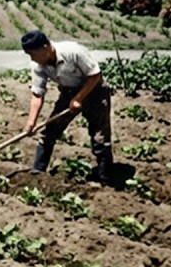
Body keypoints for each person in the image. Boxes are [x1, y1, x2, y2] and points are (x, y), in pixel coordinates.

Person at [20, 30, 114, 183]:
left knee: (99, 136)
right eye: (29, 55)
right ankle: (37, 174)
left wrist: (79, 98)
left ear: (45, 47)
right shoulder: (38, 65)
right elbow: (37, 93)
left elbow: (95, 75)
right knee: (49, 132)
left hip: (94, 90)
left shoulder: (73, 51)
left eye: (33, 54)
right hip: (68, 92)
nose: (32, 59)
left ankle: (106, 178)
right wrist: (31, 122)